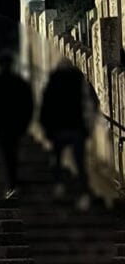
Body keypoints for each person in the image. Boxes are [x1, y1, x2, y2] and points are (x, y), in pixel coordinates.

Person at [40, 58, 99, 210]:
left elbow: (46, 107)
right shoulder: (80, 81)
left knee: (57, 160)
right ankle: (84, 194)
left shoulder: (52, 82)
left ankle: (59, 187)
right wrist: (88, 129)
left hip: (58, 129)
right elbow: (90, 103)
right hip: (77, 129)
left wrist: (46, 129)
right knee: (79, 163)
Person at [0, 52, 34, 201]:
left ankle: (11, 185)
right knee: (12, 155)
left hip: (3, 126)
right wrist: (25, 123)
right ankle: (13, 184)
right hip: (15, 126)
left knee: (7, 156)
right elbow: (29, 104)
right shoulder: (20, 82)